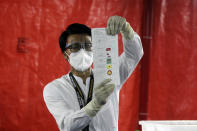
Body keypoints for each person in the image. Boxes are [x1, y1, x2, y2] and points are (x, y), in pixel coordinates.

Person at [43, 16, 144, 131]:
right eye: (75, 47)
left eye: (88, 46)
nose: (83, 51)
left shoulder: (109, 76)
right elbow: (67, 125)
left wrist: (126, 29)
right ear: (66, 54)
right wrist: (96, 104)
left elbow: (133, 55)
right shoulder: (55, 88)